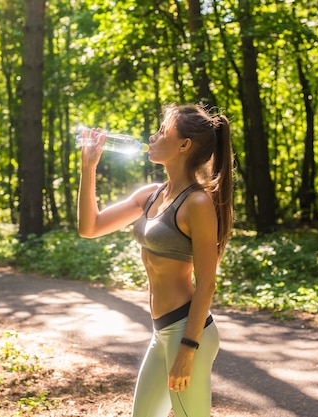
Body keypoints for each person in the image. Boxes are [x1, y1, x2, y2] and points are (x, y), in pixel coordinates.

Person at [77, 103, 233, 417]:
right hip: (161, 332)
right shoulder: (152, 194)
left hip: (187, 333)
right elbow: (89, 227)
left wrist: (188, 349)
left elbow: (206, 283)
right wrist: (88, 167)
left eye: (163, 132)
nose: (153, 136)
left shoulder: (198, 203)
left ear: (184, 146)